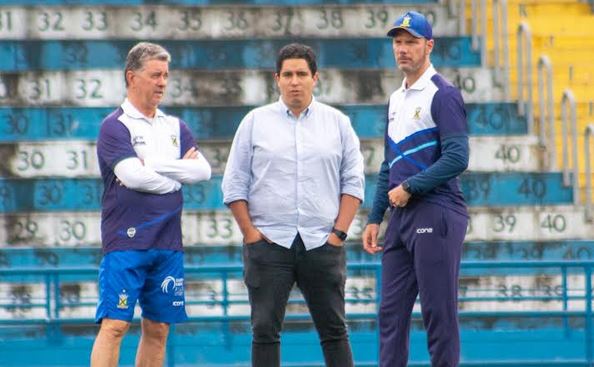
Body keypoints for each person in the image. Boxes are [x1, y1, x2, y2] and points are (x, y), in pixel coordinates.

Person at [222, 43, 365, 367]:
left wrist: (338, 234)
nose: (294, 81)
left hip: (322, 243)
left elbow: (354, 182)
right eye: (288, 74)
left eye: (302, 74)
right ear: (277, 79)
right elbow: (233, 183)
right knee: (264, 331)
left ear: (315, 78)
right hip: (270, 244)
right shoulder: (255, 122)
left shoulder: (338, 123)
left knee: (334, 331)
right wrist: (250, 234)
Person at [90, 42, 211, 367]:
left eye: (166, 76)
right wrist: (175, 177)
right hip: (126, 242)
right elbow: (131, 175)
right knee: (114, 325)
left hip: (168, 243)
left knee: (158, 328)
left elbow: (203, 171)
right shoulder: (114, 126)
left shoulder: (175, 127)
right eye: (155, 75)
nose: (162, 82)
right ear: (132, 77)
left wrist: (152, 163)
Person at [361, 11, 470, 367]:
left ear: (429, 45)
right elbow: (388, 163)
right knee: (390, 315)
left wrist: (411, 186)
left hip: (436, 210)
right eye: (398, 42)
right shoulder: (396, 99)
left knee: (438, 313)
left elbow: (458, 157)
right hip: (401, 218)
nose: (403, 49)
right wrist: (375, 217)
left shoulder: (443, 94)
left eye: (411, 41)